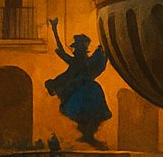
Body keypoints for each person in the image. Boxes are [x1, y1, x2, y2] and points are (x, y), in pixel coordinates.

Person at [45, 18, 112, 148]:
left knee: (88, 113)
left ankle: (89, 136)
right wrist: (54, 30)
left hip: (84, 91)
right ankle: (89, 136)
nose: (75, 50)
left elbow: (63, 53)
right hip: (82, 90)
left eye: (77, 48)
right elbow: (63, 53)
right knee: (88, 114)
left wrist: (54, 29)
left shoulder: (81, 61)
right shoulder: (81, 61)